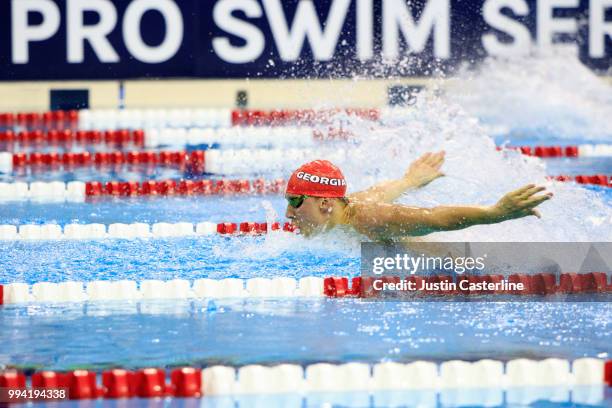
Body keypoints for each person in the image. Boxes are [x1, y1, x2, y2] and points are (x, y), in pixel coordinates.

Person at [284, 151, 553, 240]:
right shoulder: (349, 205)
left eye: (295, 201)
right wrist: (411, 180)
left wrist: (494, 213)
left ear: (324, 202)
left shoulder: (369, 218)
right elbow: (381, 191)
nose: (288, 213)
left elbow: (435, 218)